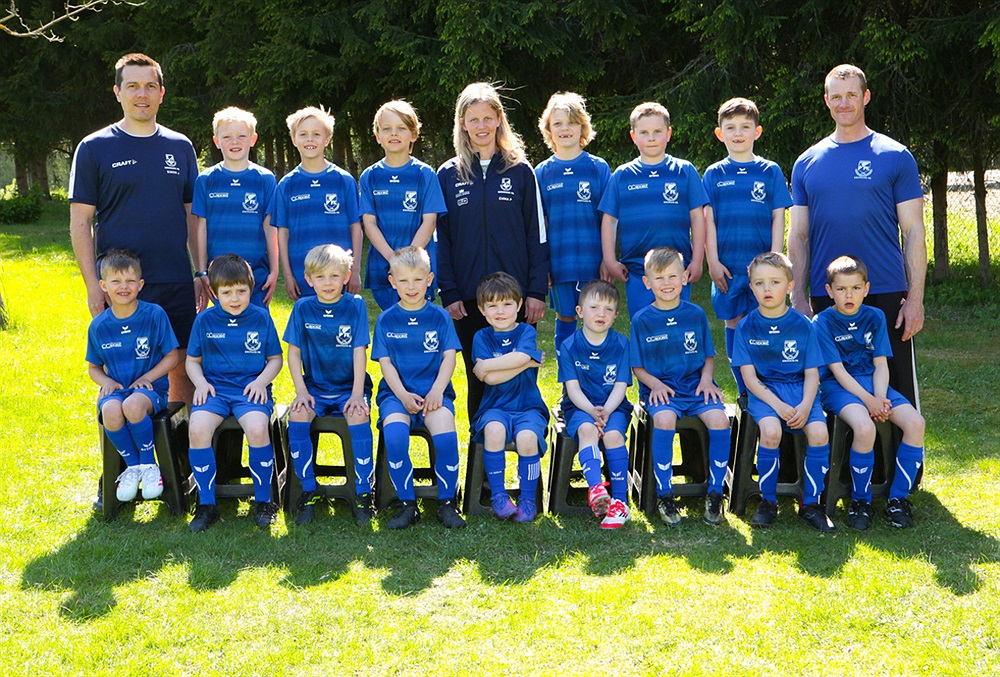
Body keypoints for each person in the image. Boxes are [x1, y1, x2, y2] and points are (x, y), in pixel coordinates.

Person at [70, 52, 203, 408]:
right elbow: (80, 221)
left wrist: (199, 271)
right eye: (132, 86)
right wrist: (93, 285)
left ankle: (180, 444)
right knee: (120, 374)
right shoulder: (94, 147)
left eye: (149, 86)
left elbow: (192, 217)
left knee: (182, 365)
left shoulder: (180, 146)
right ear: (117, 92)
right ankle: (125, 445)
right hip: (121, 283)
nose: (141, 94)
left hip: (174, 277)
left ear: (161, 93)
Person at [789, 63, 926, 406]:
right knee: (830, 393)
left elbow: (913, 231)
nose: (844, 103)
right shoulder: (806, 162)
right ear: (826, 101)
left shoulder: (895, 156)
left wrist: (915, 299)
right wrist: (797, 297)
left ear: (865, 97)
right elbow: (799, 236)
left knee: (896, 394)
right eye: (836, 97)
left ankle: (902, 445)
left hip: (885, 293)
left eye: (851, 95)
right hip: (827, 295)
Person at [437, 82, 549, 419]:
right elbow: (442, 239)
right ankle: (480, 451)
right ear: (462, 123)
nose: (481, 126)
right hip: (468, 298)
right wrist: (449, 292)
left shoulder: (521, 170)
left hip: (515, 298)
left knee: (519, 375)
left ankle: (526, 442)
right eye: (473, 119)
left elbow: (537, 235)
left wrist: (535, 291)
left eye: (488, 118)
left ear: (499, 119)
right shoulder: (448, 174)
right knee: (479, 379)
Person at [814, 255, 925, 529]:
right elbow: (837, 371)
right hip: (838, 387)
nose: (848, 295)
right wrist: (869, 401)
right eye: (841, 289)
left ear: (866, 289)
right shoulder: (822, 321)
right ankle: (860, 502)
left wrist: (880, 397)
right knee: (864, 428)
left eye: (855, 288)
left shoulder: (875, 316)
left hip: (875, 384)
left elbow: (880, 364)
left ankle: (898, 499)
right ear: (829, 291)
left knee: (916, 423)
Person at [732, 252, 835, 532]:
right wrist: (777, 406)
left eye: (775, 282)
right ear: (751, 287)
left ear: (789, 286)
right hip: (765, 393)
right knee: (771, 431)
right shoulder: (746, 326)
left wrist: (805, 405)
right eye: (760, 283)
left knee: (819, 433)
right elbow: (749, 379)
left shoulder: (803, 325)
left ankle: (811, 504)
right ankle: (768, 501)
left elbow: (812, 374)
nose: (767, 289)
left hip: (801, 391)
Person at [629, 248, 732, 527]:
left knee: (720, 420)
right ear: (647, 282)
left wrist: (707, 379)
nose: (667, 283)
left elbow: (708, 356)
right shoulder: (642, 320)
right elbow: (637, 367)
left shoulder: (695, 314)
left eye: (673, 276)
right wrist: (654, 384)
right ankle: (664, 493)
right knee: (664, 419)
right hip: (661, 390)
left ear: (685, 278)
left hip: (696, 388)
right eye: (659, 277)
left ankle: (715, 492)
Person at [185, 255, 283, 532]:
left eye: (241, 291)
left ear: (251, 289)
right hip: (215, 390)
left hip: (250, 390)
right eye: (227, 292)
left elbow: (276, 359)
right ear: (214, 293)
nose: (235, 298)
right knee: (197, 429)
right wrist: (200, 383)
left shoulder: (261, 317)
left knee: (258, 428)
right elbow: (192, 361)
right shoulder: (204, 320)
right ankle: (206, 504)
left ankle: (263, 501)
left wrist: (261, 382)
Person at [370, 246, 466, 530]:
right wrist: (401, 395)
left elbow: (449, 357)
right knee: (395, 438)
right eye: (403, 280)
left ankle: (447, 503)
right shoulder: (387, 319)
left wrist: (437, 391)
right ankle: (407, 505)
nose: (411, 287)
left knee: (446, 438)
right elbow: (386, 364)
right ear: (392, 282)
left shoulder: (440, 317)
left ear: (429, 279)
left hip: (435, 394)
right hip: (396, 396)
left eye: (417, 280)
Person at [702, 97, 791, 396]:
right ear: (720, 134)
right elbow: (709, 222)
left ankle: (770, 385)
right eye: (731, 128)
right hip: (728, 267)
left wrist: (775, 258)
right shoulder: (714, 174)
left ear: (757, 131)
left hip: (762, 269)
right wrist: (713, 262)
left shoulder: (770, 171)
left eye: (745, 127)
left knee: (764, 322)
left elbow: (778, 216)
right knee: (735, 324)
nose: (738, 133)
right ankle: (744, 390)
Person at [283, 245, 374, 525]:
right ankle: (308, 490)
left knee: (358, 415)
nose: (328, 283)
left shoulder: (355, 305)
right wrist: (301, 392)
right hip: (315, 389)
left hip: (349, 388)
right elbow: (293, 353)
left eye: (335, 276)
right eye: (320, 277)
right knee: (298, 414)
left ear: (346, 276)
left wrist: (357, 394)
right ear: (309, 279)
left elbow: (359, 351)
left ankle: (363, 493)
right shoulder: (302, 308)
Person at [86, 250, 179, 503]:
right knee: (110, 410)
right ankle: (133, 466)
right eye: (116, 281)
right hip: (118, 391)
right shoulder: (99, 326)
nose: (123, 287)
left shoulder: (154, 314)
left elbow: (172, 356)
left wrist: (148, 377)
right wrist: (107, 382)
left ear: (140, 284)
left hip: (150, 392)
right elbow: (93, 368)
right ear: (103, 286)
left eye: (130, 281)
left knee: (133, 405)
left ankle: (149, 466)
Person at [599, 102, 709, 317]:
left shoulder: (684, 171)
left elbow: (698, 217)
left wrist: (697, 260)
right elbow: (609, 219)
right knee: (644, 323)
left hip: (677, 269)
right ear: (633, 136)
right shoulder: (622, 175)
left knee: (677, 324)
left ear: (668, 134)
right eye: (644, 132)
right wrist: (610, 261)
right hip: (637, 270)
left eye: (657, 131)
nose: (651, 138)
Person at [534, 92, 611, 355]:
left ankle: (596, 374)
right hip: (560, 263)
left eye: (571, 122)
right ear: (548, 129)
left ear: (582, 127)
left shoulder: (598, 167)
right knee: (566, 318)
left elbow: (608, 219)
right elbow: (539, 225)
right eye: (557, 123)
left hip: (593, 261)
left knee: (597, 318)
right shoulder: (541, 172)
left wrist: (608, 259)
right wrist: (542, 265)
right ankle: (567, 376)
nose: (565, 128)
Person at [470, 272, 549, 523]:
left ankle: (527, 499)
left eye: (507, 304)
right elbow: (491, 380)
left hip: (528, 407)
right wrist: (527, 363)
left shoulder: (525, 331)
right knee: (494, 430)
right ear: (482, 310)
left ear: (519, 305)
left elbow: (517, 358)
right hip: (495, 407)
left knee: (527, 438)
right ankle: (499, 497)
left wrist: (488, 365)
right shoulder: (481, 336)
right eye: (492, 306)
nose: (500, 311)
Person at [556, 280, 632, 529]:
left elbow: (620, 386)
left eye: (608, 309)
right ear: (579, 311)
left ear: (616, 315)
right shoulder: (569, 345)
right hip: (580, 406)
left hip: (613, 406)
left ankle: (620, 503)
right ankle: (597, 488)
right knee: (587, 429)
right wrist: (591, 411)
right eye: (594, 307)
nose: (601, 314)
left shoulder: (621, 344)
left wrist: (606, 411)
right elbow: (572, 389)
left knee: (613, 436)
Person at [360, 100, 448, 311]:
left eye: (401, 128)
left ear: (414, 134)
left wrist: (408, 261)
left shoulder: (425, 174)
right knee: (392, 322)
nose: (394, 133)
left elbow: (430, 221)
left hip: (417, 268)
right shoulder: (369, 176)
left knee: (420, 323)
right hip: (383, 265)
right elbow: (369, 223)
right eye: (387, 129)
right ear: (377, 136)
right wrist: (393, 260)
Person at [192, 107, 278, 308]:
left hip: (256, 277)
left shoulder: (265, 179)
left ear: (253, 139)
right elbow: (201, 228)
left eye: (241, 136)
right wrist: (202, 271)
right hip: (218, 277)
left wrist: (274, 271)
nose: (235, 142)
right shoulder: (206, 179)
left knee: (256, 325)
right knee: (223, 326)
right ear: (216, 141)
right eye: (227, 137)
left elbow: (270, 227)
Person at [275, 106, 362, 301]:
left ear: (327, 139)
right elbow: (282, 233)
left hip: (339, 275)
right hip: (303, 276)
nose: (310, 139)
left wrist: (355, 270)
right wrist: (288, 276)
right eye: (303, 134)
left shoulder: (344, 180)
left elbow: (356, 227)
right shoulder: (286, 185)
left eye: (316, 134)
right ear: (294, 139)